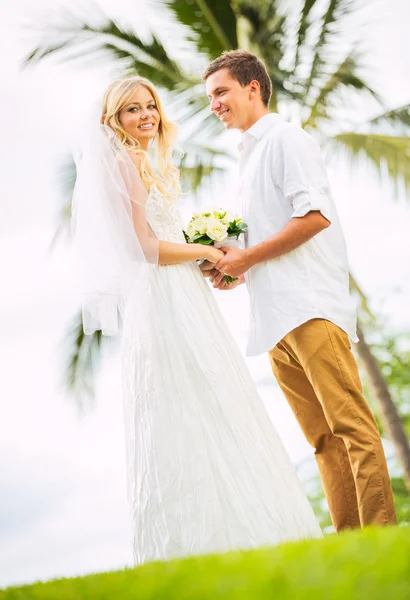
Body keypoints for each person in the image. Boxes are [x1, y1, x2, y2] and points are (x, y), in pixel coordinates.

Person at [71, 75, 322, 566]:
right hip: (161, 297)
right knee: (184, 398)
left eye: (150, 106)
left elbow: (164, 237)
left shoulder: (150, 160)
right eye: (131, 110)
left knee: (214, 391)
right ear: (113, 121)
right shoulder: (125, 164)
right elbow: (144, 247)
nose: (145, 116)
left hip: (182, 290)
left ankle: (246, 526)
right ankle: (199, 538)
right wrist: (207, 248)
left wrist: (204, 250)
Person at [203, 50, 397, 532]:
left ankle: (380, 533)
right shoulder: (247, 159)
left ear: (253, 88)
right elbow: (267, 239)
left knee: (351, 428)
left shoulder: (287, 138)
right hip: (273, 323)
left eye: (221, 92)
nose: (215, 105)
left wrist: (249, 257)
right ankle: (351, 544)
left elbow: (314, 217)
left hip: (309, 309)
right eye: (209, 98)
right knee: (322, 442)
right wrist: (236, 269)